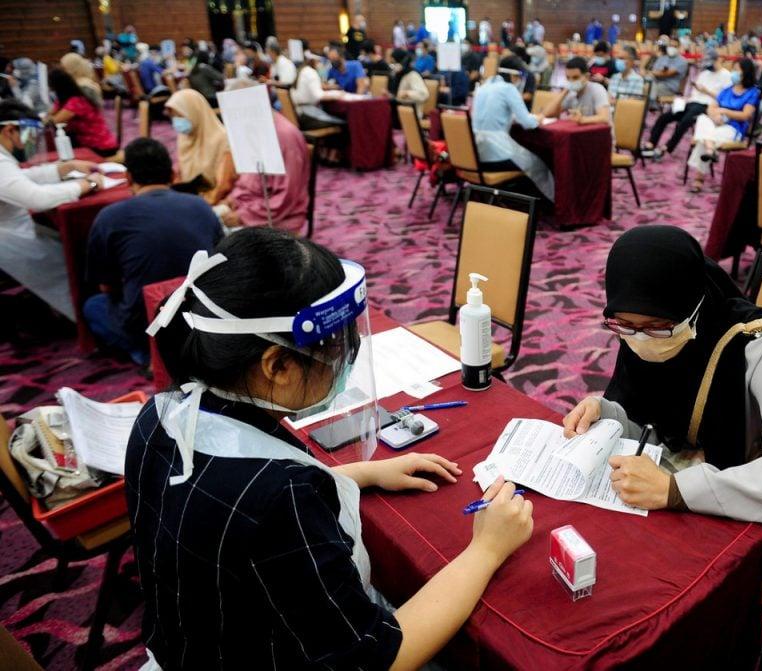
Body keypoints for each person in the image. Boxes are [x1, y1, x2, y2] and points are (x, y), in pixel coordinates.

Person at [132, 226, 534, 670]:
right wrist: (486, 550)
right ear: (278, 365)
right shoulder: (283, 498)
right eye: (338, 345)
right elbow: (376, 659)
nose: (347, 358)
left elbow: (228, 506)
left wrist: (359, 473)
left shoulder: (161, 414)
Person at [561, 226, 762, 579]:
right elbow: (657, 424)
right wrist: (607, 412)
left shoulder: (758, 344)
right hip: (674, 478)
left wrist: (675, 490)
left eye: (657, 327)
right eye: (625, 326)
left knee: (652, 584)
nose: (641, 340)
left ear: (694, 306)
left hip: (759, 508)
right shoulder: (641, 323)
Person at [85, 138, 221, 365]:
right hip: (203, 317)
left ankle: (149, 355)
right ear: (172, 174)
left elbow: (106, 286)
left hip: (148, 324)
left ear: (128, 178)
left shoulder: (109, 217)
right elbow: (219, 262)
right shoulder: (200, 206)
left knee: (94, 306)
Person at [0, 99, 103, 320]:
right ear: (9, 130)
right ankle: (83, 316)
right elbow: (36, 198)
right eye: (26, 135)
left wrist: (64, 169)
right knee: (69, 261)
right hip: (7, 238)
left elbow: (18, 178)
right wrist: (86, 185)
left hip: (12, 228)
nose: (27, 144)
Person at [213, 80, 311, 233]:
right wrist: (231, 200)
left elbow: (286, 197)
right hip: (250, 206)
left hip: (278, 216)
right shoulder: (253, 128)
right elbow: (249, 181)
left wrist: (242, 216)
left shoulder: (284, 136)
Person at [471, 65, 554, 200]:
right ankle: (543, 204)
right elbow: (528, 123)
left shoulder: (482, 87)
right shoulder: (508, 89)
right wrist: (538, 118)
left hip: (476, 154)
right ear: (514, 76)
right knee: (539, 164)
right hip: (496, 155)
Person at [687, 58, 760, 193]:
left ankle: (699, 178)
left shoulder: (752, 92)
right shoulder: (726, 90)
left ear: (747, 73)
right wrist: (715, 116)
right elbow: (711, 108)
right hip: (717, 123)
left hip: (734, 128)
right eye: (734, 69)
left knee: (703, 139)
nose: (734, 73)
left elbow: (745, 115)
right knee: (703, 118)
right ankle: (710, 150)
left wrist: (725, 111)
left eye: (738, 70)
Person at [644, 48, 732, 157]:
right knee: (665, 117)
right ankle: (651, 143)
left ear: (717, 60)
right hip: (692, 102)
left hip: (708, 106)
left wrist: (706, 91)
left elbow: (724, 99)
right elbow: (695, 93)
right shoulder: (704, 74)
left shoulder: (726, 76)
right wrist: (685, 100)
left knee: (684, 122)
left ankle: (667, 147)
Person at [165, 89, 229, 199]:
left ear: (195, 112)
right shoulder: (184, 137)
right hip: (190, 196)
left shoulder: (222, 139)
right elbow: (180, 175)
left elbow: (223, 185)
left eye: (180, 115)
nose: (176, 121)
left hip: (214, 198)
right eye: (173, 117)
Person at [47, 68, 118, 157]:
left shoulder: (76, 101)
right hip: (89, 142)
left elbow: (54, 121)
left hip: (101, 146)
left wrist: (46, 118)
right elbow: (52, 113)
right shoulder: (66, 98)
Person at [543, 57, 610, 126]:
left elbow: (604, 118)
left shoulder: (597, 89)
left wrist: (582, 120)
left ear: (587, 76)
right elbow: (547, 114)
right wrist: (564, 92)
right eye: (568, 78)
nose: (571, 81)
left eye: (575, 77)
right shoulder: (571, 93)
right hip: (580, 133)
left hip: (600, 134)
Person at [291, 51, 347, 130]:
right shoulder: (311, 72)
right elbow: (319, 95)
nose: (320, 65)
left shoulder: (303, 70)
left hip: (300, 113)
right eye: (319, 62)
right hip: (307, 115)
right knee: (343, 123)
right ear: (314, 61)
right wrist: (339, 95)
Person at [390, 48, 429, 116]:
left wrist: (407, 93)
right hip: (401, 111)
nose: (393, 66)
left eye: (394, 63)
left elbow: (424, 94)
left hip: (412, 114)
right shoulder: (399, 75)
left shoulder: (412, 75)